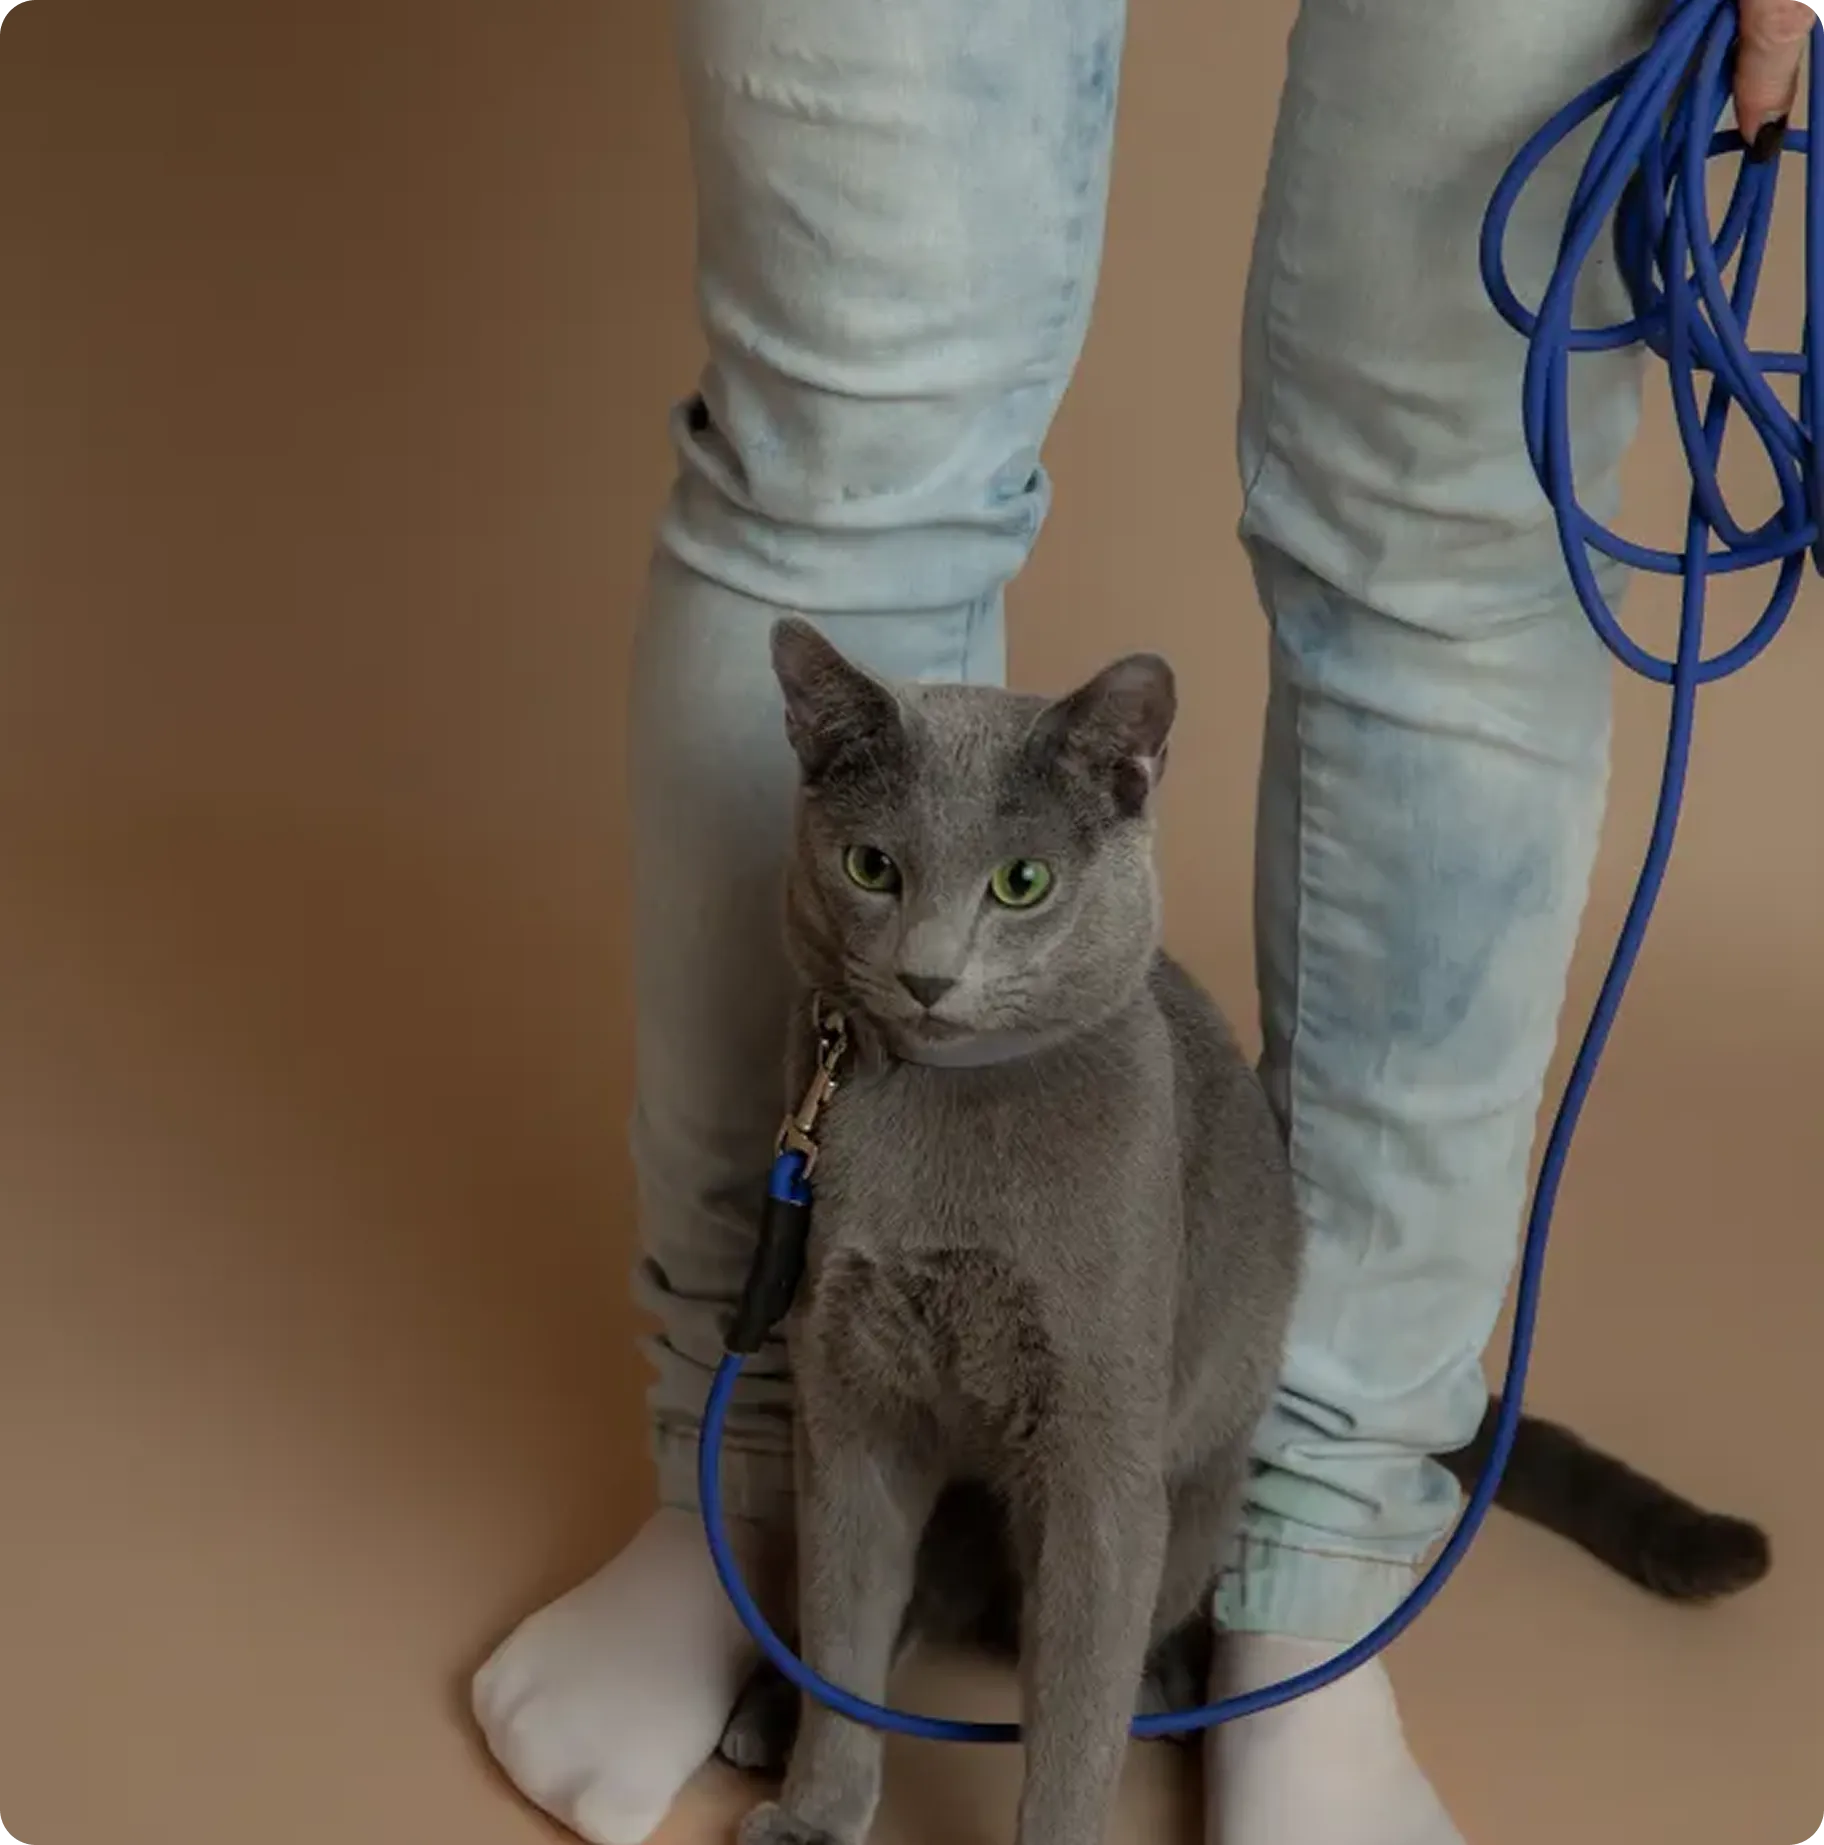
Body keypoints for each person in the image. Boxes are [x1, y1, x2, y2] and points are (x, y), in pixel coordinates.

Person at [468, 2, 1810, 1841]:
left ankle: (1308, 1569)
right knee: (842, 414)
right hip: (883, 1225)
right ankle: (747, 1486)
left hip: (1149, 1334)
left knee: (1453, 474)